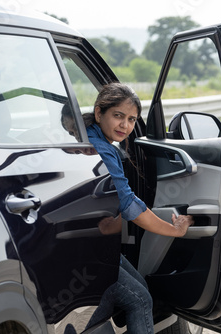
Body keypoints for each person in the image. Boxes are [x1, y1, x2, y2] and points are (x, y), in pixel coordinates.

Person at [83, 82, 194, 333]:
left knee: (140, 289)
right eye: (118, 116)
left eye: (132, 119)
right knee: (139, 299)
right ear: (100, 112)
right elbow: (129, 205)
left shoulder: (92, 137)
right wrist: (173, 230)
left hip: (93, 241)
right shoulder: (101, 149)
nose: (125, 126)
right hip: (87, 248)